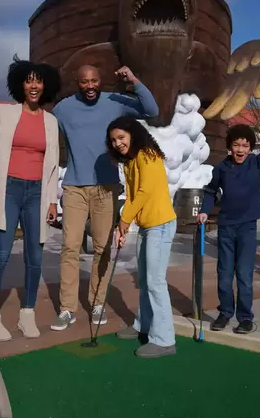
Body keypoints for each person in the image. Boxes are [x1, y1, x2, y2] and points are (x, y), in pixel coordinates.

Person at [50, 64, 159, 331]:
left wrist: (134, 80)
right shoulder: (63, 109)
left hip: (106, 188)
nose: (90, 86)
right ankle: (67, 308)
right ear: (77, 82)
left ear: (100, 81)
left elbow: (152, 111)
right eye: (84, 82)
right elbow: (46, 134)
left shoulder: (115, 102)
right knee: (70, 248)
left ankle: (97, 302)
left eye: (94, 81)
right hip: (74, 187)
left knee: (103, 248)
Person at [0, 51, 61, 341]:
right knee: (1, 255)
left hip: (37, 194)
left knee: (35, 257)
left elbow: (53, 164)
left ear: (45, 86)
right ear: (20, 84)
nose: (34, 86)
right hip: (8, 189)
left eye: (38, 81)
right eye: (28, 81)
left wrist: (52, 200)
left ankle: (27, 313)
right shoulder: (2, 113)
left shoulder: (51, 122)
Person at [197, 123, 260, 334]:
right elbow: (210, 191)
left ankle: (245, 318)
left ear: (250, 147)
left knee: (244, 274)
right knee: (224, 274)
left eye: (245, 146)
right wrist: (205, 211)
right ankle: (225, 312)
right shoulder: (221, 168)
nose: (240, 150)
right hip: (226, 227)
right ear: (230, 146)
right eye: (236, 145)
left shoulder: (257, 162)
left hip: (247, 227)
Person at [108, 116, 178, 358]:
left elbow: (145, 190)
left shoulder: (147, 154)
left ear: (133, 134)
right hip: (147, 226)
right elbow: (131, 196)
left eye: (121, 137)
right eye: (113, 140)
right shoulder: (130, 161)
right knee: (145, 280)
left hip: (161, 224)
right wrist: (123, 226)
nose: (117, 143)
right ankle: (144, 326)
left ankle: (164, 340)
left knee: (155, 281)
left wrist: (124, 219)